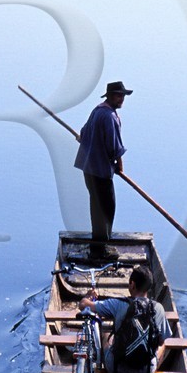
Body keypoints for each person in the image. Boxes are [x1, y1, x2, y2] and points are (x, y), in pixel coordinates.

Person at [78, 264, 171, 373]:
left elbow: (83, 305)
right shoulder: (158, 308)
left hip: (115, 368)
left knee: (106, 336)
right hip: (145, 370)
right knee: (163, 344)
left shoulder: (118, 304)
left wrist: (88, 296)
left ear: (132, 284)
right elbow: (160, 341)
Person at [74, 79, 131, 258]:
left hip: (88, 168)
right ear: (110, 96)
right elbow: (114, 148)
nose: (121, 99)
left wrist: (85, 137)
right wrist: (120, 167)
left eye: (123, 96)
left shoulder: (97, 110)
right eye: (118, 96)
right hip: (99, 170)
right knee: (106, 207)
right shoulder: (109, 116)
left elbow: (82, 134)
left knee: (97, 206)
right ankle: (100, 249)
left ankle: (98, 246)